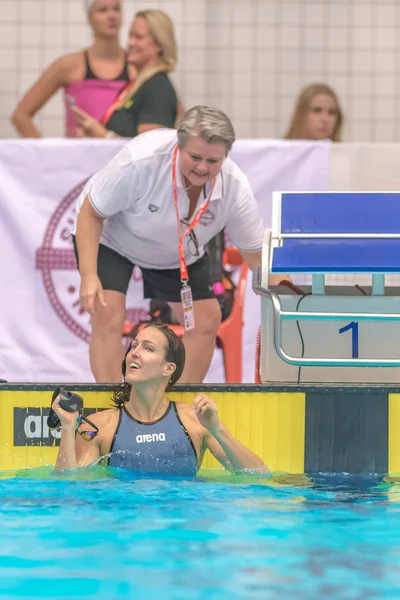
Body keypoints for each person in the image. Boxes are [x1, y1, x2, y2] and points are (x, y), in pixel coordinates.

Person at [73, 105, 283, 384]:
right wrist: (89, 276)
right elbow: (91, 213)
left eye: (213, 161)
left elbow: (257, 256)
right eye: (195, 157)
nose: (202, 168)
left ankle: (176, 410)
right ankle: (115, 407)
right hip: (114, 238)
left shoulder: (235, 187)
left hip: (177, 252)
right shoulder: (141, 160)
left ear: (226, 156)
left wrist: (293, 299)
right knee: (108, 311)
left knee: (207, 320)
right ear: (178, 146)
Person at [53, 323, 268, 475]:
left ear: (168, 368)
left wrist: (216, 430)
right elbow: (71, 489)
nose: (134, 353)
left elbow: (258, 476)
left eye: (148, 348)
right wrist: (68, 428)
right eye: (134, 345)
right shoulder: (101, 427)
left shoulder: (193, 421)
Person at [11, 0, 135, 138]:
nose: (112, 16)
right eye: (102, 10)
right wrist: (42, 155)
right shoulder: (69, 65)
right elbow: (21, 115)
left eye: (116, 9)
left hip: (123, 155)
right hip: (80, 157)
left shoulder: (135, 65)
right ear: (89, 17)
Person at [71, 9, 182, 139]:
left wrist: (103, 135)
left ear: (160, 45)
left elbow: (151, 151)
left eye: (138, 37)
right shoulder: (140, 85)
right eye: (130, 36)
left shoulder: (158, 87)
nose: (130, 43)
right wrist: (94, 136)